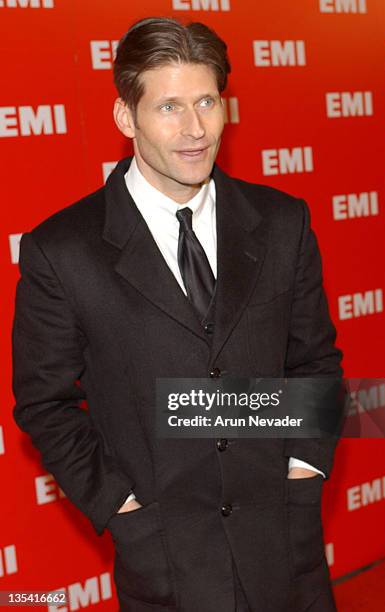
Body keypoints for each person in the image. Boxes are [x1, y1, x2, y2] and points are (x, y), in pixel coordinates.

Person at [12, 16, 343, 612]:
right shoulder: (62, 250)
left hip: (283, 546)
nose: (195, 130)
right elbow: (44, 401)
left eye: (207, 102)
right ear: (125, 117)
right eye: (168, 107)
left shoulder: (282, 222)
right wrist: (121, 506)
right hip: (164, 557)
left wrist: (301, 469)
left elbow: (314, 360)